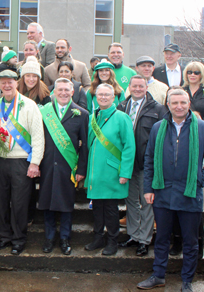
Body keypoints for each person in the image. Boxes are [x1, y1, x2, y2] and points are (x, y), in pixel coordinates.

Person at [137, 89, 204, 292]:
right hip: (163, 191)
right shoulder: (158, 127)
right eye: (174, 103)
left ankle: (187, 281)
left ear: (189, 103)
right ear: (168, 104)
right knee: (162, 238)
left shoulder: (203, 128)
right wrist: (148, 188)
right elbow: (149, 159)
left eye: (183, 102)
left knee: (190, 241)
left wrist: (200, 180)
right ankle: (158, 275)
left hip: (189, 193)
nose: (179, 106)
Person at [0, 70, 44, 256]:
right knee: (1, 201)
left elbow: (38, 136)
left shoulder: (29, 105)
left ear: (17, 84)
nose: (6, 85)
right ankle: (4, 236)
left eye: (10, 82)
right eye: (3, 82)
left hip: (21, 161)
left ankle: (19, 239)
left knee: (19, 203)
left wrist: (35, 163)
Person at [117, 75, 167, 256]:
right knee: (130, 202)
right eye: (134, 86)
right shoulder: (121, 107)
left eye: (141, 86)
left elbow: (162, 137)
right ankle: (133, 235)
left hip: (146, 164)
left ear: (146, 87)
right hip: (127, 164)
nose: (137, 89)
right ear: (129, 87)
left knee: (146, 202)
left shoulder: (158, 109)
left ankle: (145, 240)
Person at [38, 78, 88, 255]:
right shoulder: (44, 112)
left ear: (73, 92)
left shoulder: (81, 114)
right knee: (46, 202)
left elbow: (85, 145)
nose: (64, 93)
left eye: (67, 90)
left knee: (67, 203)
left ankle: (65, 238)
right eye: (60, 90)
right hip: (47, 166)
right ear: (54, 92)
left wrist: (82, 170)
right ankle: (49, 237)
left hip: (69, 168)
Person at [84, 83, 135, 256]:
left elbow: (129, 147)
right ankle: (98, 238)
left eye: (107, 95)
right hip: (95, 173)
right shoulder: (93, 117)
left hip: (112, 172)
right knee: (97, 207)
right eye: (100, 95)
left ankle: (112, 241)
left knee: (111, 210)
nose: (103, 97)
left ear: (113, 97)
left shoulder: (122, 118)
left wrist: (125, 173)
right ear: (96, 97)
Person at [183, 61, 204, 126]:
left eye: (196, 73)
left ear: (201, 75)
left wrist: (200, 125)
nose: (192, 75)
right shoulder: (181, 91)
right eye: (189, 72)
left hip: (202, 127)